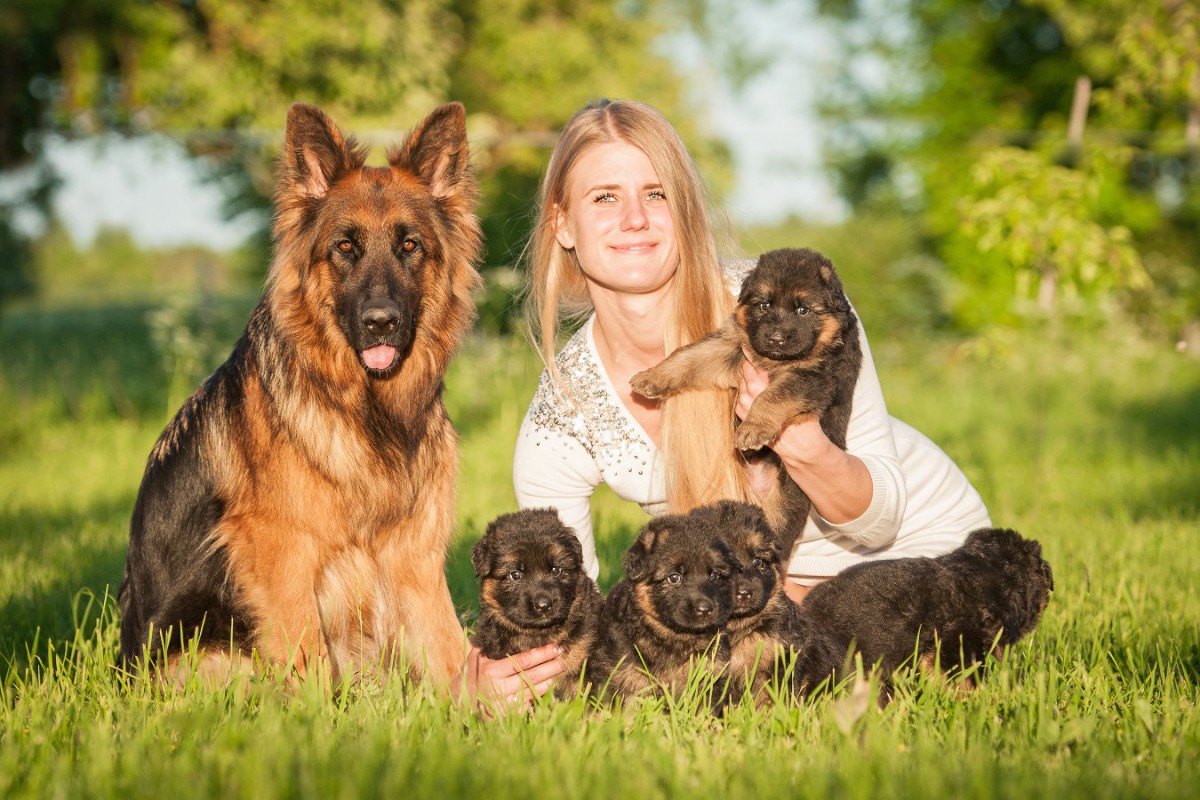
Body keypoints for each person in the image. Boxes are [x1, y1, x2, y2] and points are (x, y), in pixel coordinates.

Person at [457, 99, 991, 709]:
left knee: (787, 672)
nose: (634, 218)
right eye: (604, 197)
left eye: (656, 195)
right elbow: (569, 605)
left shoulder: (784, 305)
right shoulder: (563, 410)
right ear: (564, 225)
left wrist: (803, 444)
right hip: (762, 588)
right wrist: (479, 677)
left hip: (920, 552)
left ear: (685, 215)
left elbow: (878, 521)